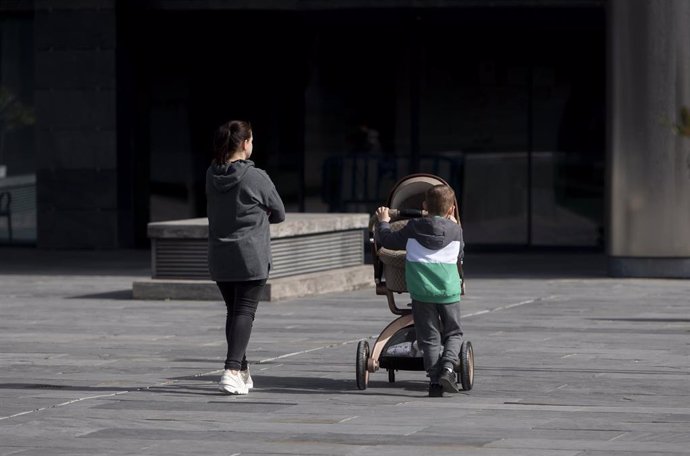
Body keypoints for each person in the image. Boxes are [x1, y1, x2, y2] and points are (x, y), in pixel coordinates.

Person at [206, 120, 285, 395]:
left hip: (220, 255)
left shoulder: (211, 174)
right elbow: (280, 212)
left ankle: (241, 370)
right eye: (251, 140)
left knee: (234, 312)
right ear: (244, 144)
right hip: (250, 256)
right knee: (244, 312)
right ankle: (230, 370)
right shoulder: (256, 177)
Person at [375, 184, 464, 397]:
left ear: (424, 206)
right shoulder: (456, 230)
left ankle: (435, 382)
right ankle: (448, 368)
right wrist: (453, 225)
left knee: (429, 337)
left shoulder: (414, 227)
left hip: (421, 291)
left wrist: (384, 222)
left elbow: (387, 241)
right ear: (451, 209)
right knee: (453, 332)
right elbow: (460, 255)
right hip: (448, 291)